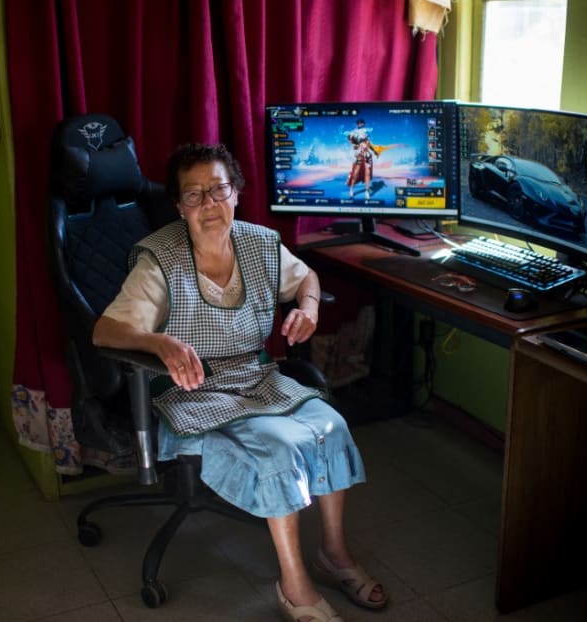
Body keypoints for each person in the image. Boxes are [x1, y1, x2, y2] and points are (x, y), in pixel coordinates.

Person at [93, 143, 388, 621]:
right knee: (279, 448)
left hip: (256, 377)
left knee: (332, 425)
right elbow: (106, 330)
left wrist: (308, 308)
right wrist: (159, 344)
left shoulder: (259, 244)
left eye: (218, 189)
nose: (208, 204)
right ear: (178, 206)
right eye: (193, 195)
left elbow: (307, 278)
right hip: (194, 394)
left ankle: (333, 554)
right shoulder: (161, 260)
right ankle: (294, 586)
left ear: (237, 193)